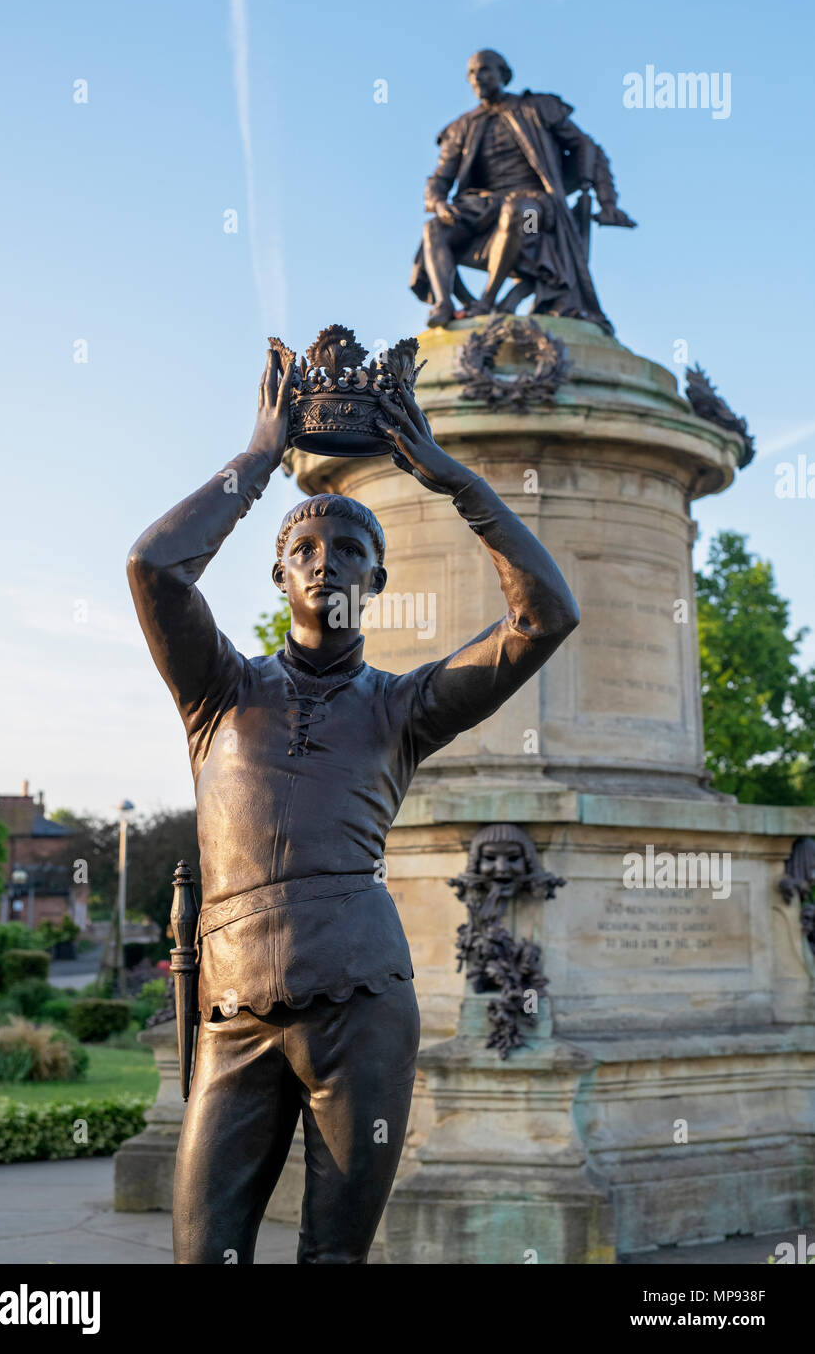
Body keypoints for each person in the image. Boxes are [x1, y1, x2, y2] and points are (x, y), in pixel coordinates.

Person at [127, 345, 580, 1263]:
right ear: (280, 578)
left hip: (363, 1007)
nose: (326, 563)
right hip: (231, 1009)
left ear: (376, 581)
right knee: (200, 1253)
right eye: (305, 550)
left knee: (333, 1260)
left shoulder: (402, 708)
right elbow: (153, 567)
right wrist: (259, 457)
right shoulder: (217, 691)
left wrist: (455, 482)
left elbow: (544, 618)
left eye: (351, 552)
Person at [410, 48, 636, 329]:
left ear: (502, 74)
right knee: (433, 229)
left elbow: (586, 147)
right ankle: (444, 304)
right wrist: (437, 202)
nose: (477, 77)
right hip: (483, 207)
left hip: (536, 211)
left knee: (517, 212)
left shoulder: (536, 108)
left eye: (484, 69)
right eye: (471, 72)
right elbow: (441, 177)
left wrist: (608, 202)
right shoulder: (462, 127)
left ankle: (487, 300)